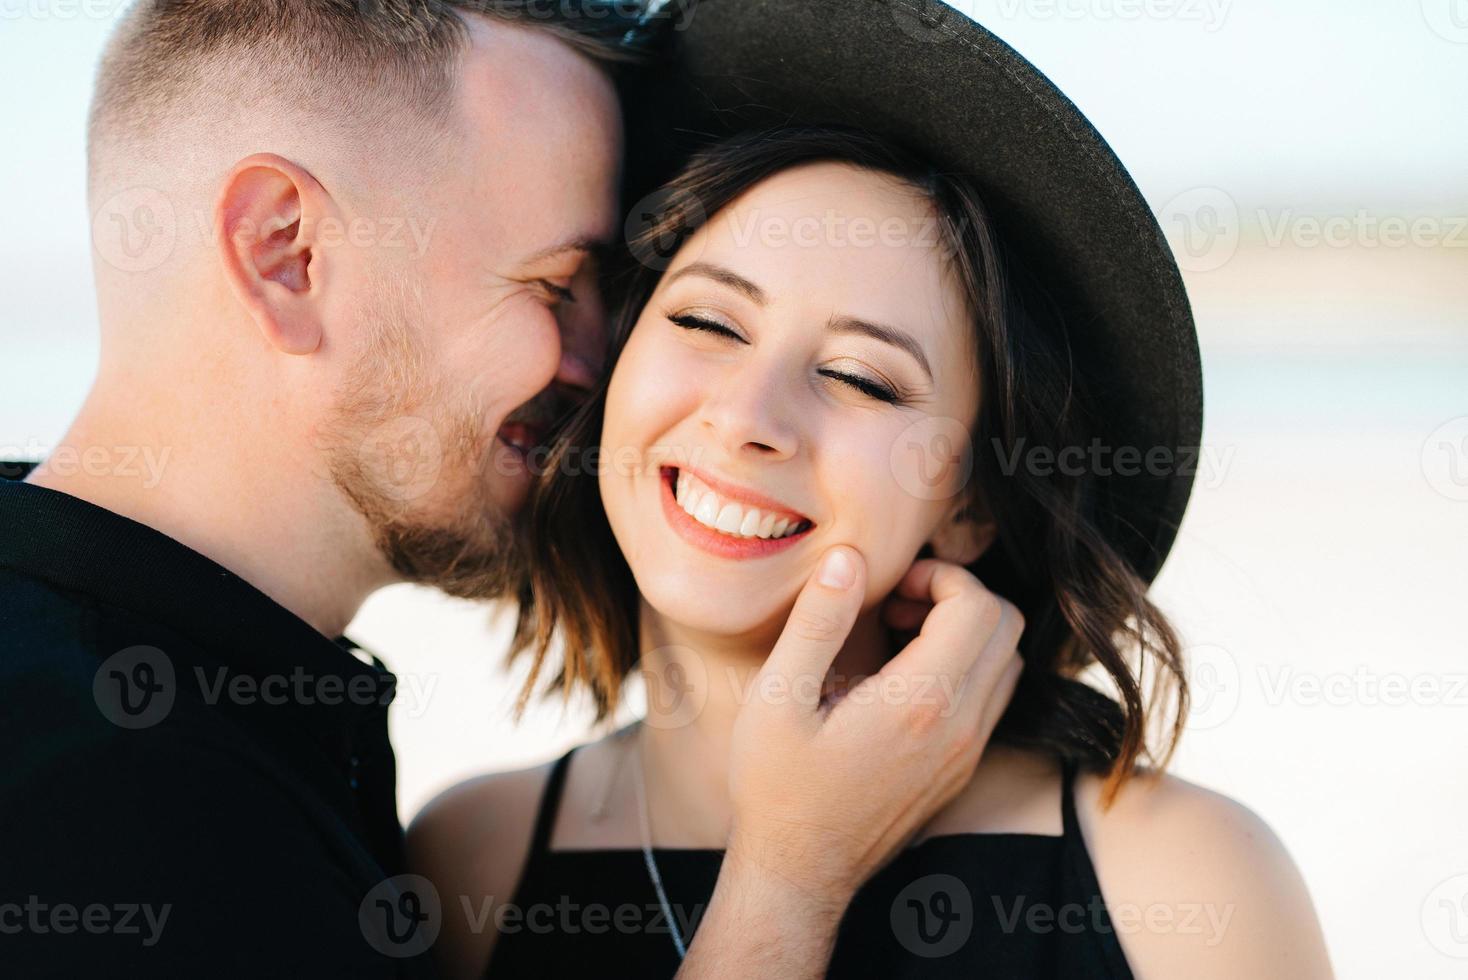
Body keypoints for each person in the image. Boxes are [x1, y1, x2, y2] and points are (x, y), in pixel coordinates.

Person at [0, 3, 1017, 976]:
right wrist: (788, 884)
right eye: (554, 284)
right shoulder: (109, 811)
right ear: (287, 254)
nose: (601, 361)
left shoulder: (178, 720)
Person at [404, 8, 1338, 979]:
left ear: (971, 500)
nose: (748, 415)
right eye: (708, 321)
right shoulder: (470, 860)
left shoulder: (1186, 883)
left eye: (861, 376)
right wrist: (787, 875)